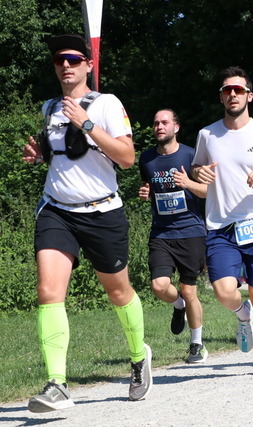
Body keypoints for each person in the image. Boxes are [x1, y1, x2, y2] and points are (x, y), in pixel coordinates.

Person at [21, 34, 152, 412]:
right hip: (57, 210)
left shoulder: (107, 104)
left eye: (74, 59)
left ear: (88, 65)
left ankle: (138, 357)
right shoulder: (50, 108)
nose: (66, 65)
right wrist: (40, 153)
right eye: (59, 60)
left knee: (118, 292)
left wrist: (88, 122)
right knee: (48, 290)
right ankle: (57, 384)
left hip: (102, 212)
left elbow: (126, 157)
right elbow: (65, 155)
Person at [191, 66, 253, 375]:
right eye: (227, 90)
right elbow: (196, 167)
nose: (232, 95)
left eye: (238, 90)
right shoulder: (207, 134)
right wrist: (199, 172)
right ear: (221, 97)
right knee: (224, 291)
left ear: (250, 96)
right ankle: (241, 313)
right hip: (221, 226)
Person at [138, 109, 209, 364]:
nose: (159, 126)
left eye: (165, 122)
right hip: (162, 232)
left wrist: (187, 183)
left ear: (176, 127)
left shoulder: (191, 156)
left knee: (190, 290)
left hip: (191, 231)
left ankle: (197, 344)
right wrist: (145, 191)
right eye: (156, 123)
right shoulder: (146, 158)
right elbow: (148, 185)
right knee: (159, 286)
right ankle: (178, 305)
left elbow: (208, 191)